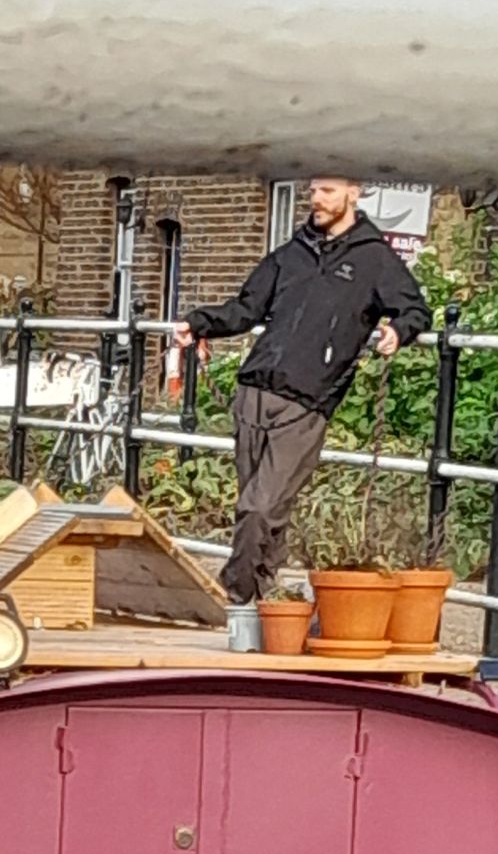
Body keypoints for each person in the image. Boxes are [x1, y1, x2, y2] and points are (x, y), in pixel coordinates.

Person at [173, 179, 432, 644]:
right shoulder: (289, 255)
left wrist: (399, 330)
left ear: (354, 194)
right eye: (313, 190)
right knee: (259, 512)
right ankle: (271, 621)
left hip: (307, 402)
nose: (316, 199)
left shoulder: (375, 260)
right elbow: (246, 309)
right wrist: (198, 321)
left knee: (259, 507)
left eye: (328, 191)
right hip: (253, 393)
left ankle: (235, 601)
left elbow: (414, 307)